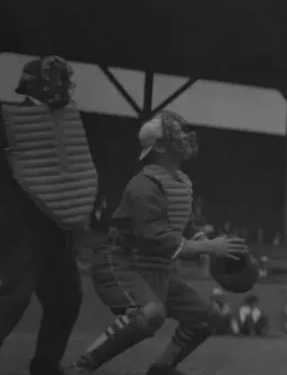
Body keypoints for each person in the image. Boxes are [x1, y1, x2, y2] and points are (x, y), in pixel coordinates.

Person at [68, 111, 247, 375]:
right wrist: (209, 248)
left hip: (159, 269)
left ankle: (162, 370)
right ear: (160, 146)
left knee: (209, 318)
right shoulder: (143, 186)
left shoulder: (181, 183)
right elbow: (158, 239)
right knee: (151, 313)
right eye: (177, 133)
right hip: (120, 262)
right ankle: (81, 367)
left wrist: (210, 243)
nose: (186, 138)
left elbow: (184, 224)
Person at [0, 56, 98, 375]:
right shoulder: (7, 121)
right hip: (21, 227)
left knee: (67, 298)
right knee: (12, 301)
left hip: (56, 229)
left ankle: (45, 365)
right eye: (57, 80)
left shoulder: (65, 123)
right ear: (39, 84)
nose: (64, 87)